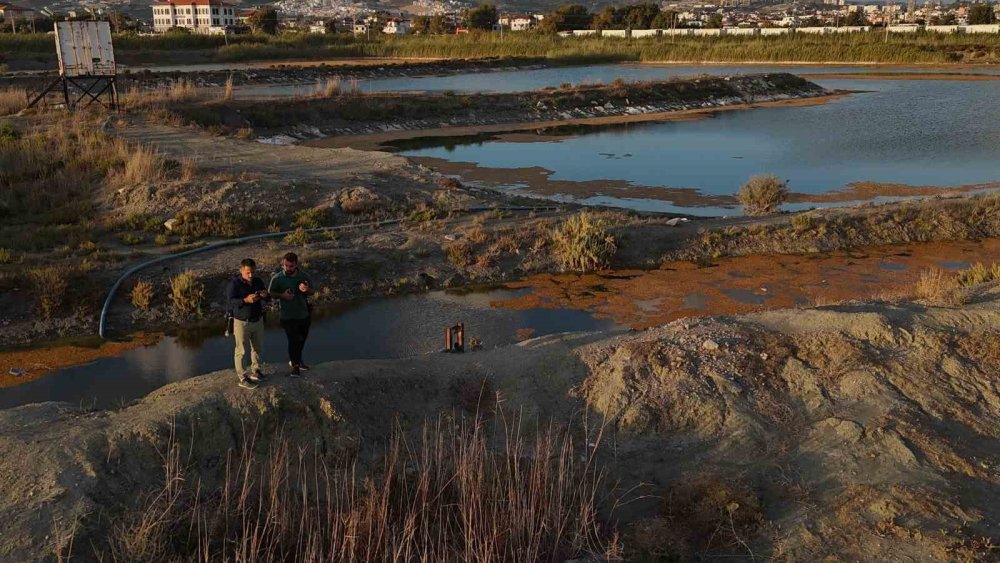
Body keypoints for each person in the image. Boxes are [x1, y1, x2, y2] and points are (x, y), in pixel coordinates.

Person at [269, 252, 315, 377]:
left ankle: (299, 361)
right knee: (293, 340)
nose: (288, 268)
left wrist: (306, 290)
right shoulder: (277, 278)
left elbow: (312, 291)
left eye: (291, 266)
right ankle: (295, 366)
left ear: (296, 265)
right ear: (283, 264)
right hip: (287, 316)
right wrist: (282, 296)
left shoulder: (303, 276)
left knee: (302, 339)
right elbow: (271, 293)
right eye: (286, 265)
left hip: (303, 314)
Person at [227, 258, 269, 390]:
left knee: (257, 347)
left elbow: (268, 298)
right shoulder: (234, 284)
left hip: (257, 320)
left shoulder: (257, 281)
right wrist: (246, 300)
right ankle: (243, 377)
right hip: (241, 322)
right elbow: (230, 302)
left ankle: (256, 370)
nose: (251, 275)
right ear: (241, 271)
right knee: (241, 350)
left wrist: (264, 295)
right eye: (248, 273)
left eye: (253, 272)